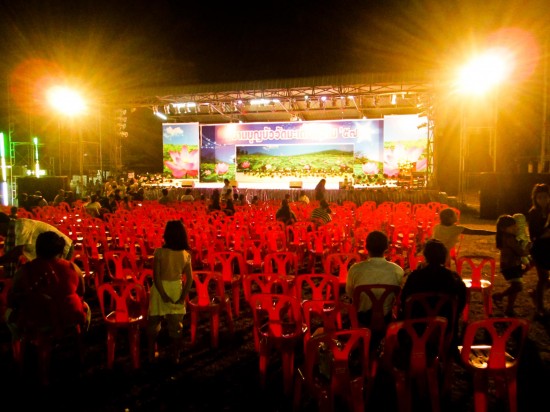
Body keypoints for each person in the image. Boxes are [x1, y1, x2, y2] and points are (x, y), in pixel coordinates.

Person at [6, 231, 88, 384]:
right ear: (59, 250)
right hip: (69, 316)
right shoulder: (72, 267)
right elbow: (82, 291)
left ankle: (18, 351)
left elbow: (14, 296)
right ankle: (80, 346)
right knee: (85, 307)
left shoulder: (25, 270)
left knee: (9, 316)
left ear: (37, 249)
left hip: (36, 318)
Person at [398, 239, 467, 349]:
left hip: (417, 326)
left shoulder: (415, 277)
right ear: (444, 256)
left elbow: (404, 300)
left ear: (425, 256)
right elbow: (462, 301)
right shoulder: (453, 278)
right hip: (445, 325)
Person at [147, 220, 193, 364]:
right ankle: (175, 356)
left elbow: (156, 276)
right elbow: (190, 279)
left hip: (159, 290)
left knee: (153, 324)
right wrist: (182, 297)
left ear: (166, 235)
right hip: (175, 290)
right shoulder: (185, 255)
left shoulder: (159, 253)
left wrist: (162, 294)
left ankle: (150, 354)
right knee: (176, 327)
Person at [346, 230, 404, 327]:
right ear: (386, 248)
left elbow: (350, 293)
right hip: (386, 318)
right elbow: (398, 296)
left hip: (362, 318)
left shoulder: (355, 269)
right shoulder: (397, 270)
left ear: (366, 247)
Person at [0, 212, 73, 278]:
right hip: (48, 255)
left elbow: (17, 252)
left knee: (57, 279)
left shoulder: (21, 225)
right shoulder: (13, 230)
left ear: (1, 224)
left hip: (60, 249)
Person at [492, 215, 529, 317]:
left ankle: (509, 308)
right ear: (503, 229)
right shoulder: (509, 238)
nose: (516, 228)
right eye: (513, 227)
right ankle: (500, 296)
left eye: (516, 226)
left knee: (515, 287)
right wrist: (529, 247)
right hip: (510, 266)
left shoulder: (509, 237)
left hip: (513, 265)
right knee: (518, 286)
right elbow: (521, 252)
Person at [527, 183, 550, 317]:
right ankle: (539, 307)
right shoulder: (533, 213)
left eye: (545, 197)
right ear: (535, 198)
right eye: (539, 197)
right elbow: (533, 235)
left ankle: (536, 294)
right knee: (543, 278)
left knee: (545, 280)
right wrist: (545, 233)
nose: (542, 200)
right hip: (540, 249)